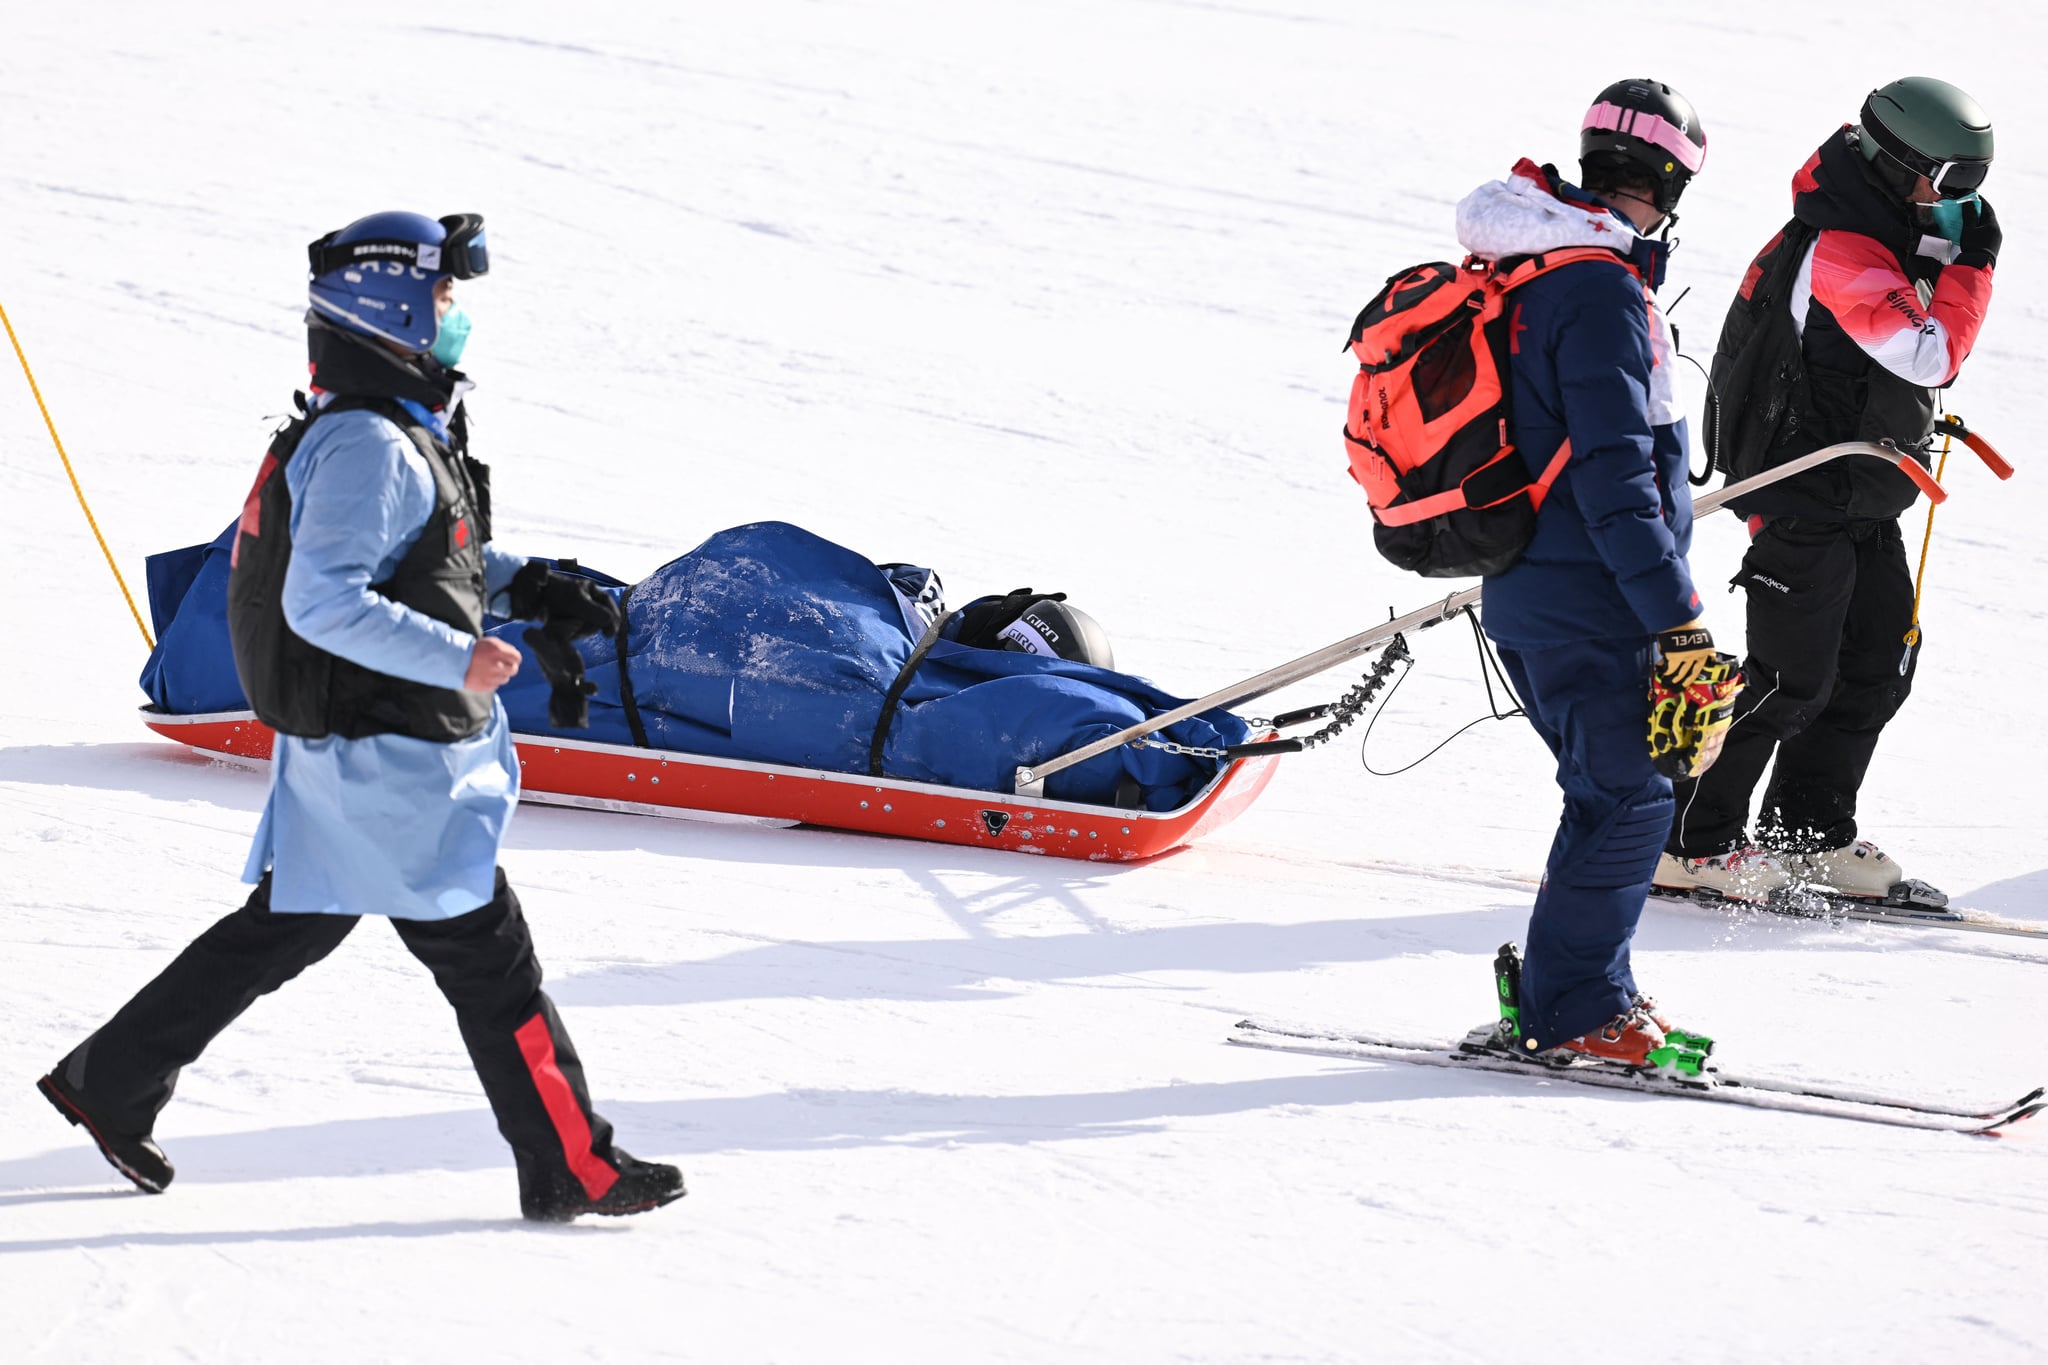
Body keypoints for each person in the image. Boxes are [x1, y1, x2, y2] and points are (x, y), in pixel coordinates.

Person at [37, 211, 686, 1223]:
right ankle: (571, 1164)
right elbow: (326, 600)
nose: (455, 319)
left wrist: (531, 587)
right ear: (390, 311)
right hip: (394, 757)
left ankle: (108, 1081)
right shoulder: (368, 446)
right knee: (490, 961)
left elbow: (425, 565)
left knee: (288, 926)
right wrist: (460, 655)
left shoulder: (383, 433)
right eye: (442, 299)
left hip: (362, 750)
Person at [1657, 78, 1997, 905]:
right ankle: (1688, 843)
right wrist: (1974, 267)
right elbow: (1927, 355)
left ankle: (1807, 833)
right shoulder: (1843, 244)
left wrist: (1951, 241)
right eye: (1949, 181)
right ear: (1897, 163)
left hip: (1864, 485)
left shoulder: (1889, 219)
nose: (1955, 202)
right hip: (1804, 485)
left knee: (1876, 665)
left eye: (1972, 184)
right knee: (1788, 678)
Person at [1463, 79, 1715, 1066]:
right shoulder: (1599, 289)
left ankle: (1579, 991)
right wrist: (1677, 616)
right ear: (1670, 182)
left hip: (1531, 584)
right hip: (1588, 595)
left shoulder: (1530, 266)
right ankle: (1574, 1012)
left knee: (1612, 789)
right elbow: (1616, 478)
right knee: (1628, 797)